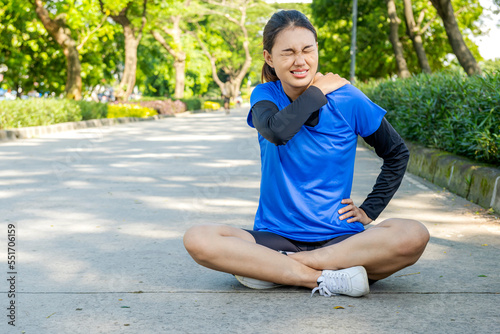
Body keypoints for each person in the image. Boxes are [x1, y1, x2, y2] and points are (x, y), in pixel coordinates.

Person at [184, 10, 429, 298]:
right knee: (198, 238)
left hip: (341, 242)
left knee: (414, 234)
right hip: (274, 237)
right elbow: (277, 131)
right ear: (269, 58)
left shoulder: (349, 100)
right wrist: (317, 90)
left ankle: (280, 270)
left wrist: (369, 209)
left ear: (316, 51)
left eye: (307, 50)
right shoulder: (265, 96)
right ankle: (327, 279)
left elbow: (397, 152)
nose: (300, 61)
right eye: (287, 53)